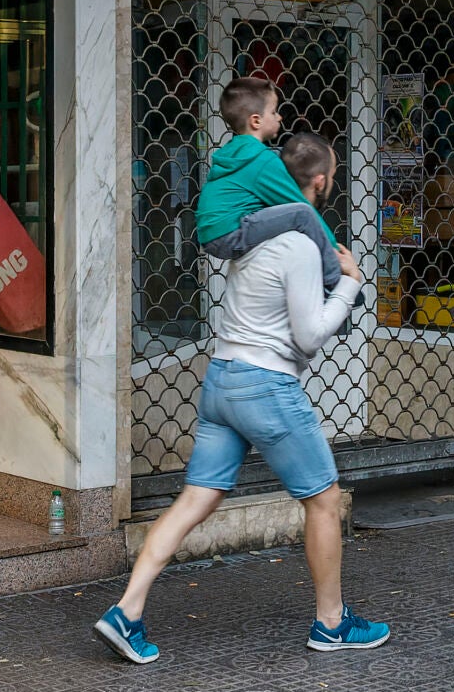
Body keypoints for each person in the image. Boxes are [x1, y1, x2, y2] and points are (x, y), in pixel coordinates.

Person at [96, 132, 389, 663]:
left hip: (222, 380)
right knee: (324, 500)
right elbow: (309, 335)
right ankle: (331, 624)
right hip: (266, 385)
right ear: (320, 181)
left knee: (195, 499)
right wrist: (349, 284)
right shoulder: (300, 245)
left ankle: (126, 611)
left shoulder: (250, 237)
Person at [195, 77, 350, 299]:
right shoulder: (261, 161)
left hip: (211, 234)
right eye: (274, 112)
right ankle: (333, 281)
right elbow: (300, 204)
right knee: (302, 214)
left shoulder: (235, 152)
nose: (280, 117)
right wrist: (334, 250)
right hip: (230, 232)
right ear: (256, 121)